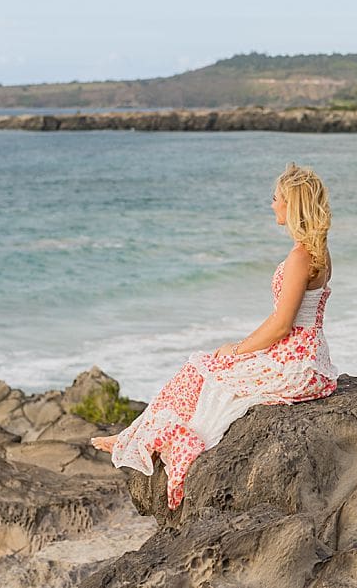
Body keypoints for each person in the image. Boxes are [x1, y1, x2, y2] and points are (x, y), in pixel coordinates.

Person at [90, 162, 339, 509]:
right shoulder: (318, 251)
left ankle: (140, 436)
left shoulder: (300, 256)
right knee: (206, 368)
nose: (271, 205)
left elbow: (282, 324)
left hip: (295, 359)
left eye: (276, 198)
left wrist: (236, 350)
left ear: (291, 204)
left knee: (200, 368)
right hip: (305, 354)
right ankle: (136, 433)